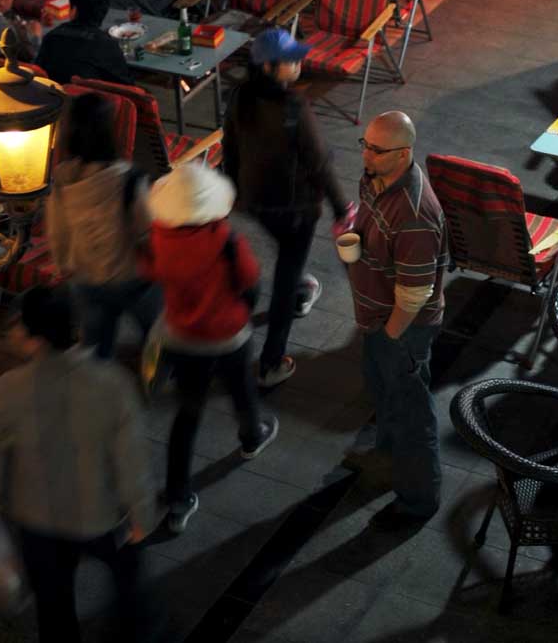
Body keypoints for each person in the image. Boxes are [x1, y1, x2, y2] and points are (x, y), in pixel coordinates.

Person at [0, 286, 156, 643]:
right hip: (98, 512)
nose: (11, 333)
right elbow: (131, 458)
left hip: (38, 519)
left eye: (17, 327)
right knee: (125, 576)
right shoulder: (111, 383)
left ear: (32, 337)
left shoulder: (8, 389)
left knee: (54, 609)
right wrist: (140, 515)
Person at [141, 161, 278, 533]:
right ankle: (252, 437)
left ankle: (178, 496)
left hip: (182, 338)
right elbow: (250, 281)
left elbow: (150, 272)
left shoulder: (158, 238)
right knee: (242, 391)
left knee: (188, 415)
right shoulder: (225, 240)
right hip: (227, 336)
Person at [222, 28, 352, 389]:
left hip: (255, 202)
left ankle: (298, 290)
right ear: (269, 67)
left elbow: (229, 148)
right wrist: (342, 207)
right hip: (295, 208)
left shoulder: (239, 97)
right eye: (291, 59)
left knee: (288, 259)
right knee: (285, 274)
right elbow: (319, 163)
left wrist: (234, 190)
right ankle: (271, 363)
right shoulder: (293, 107)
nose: (299, 63)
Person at [339, 111, 447, 531]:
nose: (365, 154)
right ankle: (385, 457)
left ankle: (419, 499)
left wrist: (389, 337)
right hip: (375, 317)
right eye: (364, 143)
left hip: (401, 327)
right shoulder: (374, 176)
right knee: (385, 394)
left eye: (376, 149)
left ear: (403, 155)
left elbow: (416, 293)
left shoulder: (416, 214)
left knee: (412, 414)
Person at [45, 93, 160, 359]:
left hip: (86, 278)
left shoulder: (62, 181)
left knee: (96, 347)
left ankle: (96, 389)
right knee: (155, 334)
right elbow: (146, 232)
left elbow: (57, 232)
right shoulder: (129, 179)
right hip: (132, 278)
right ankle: (155, 378)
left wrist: (63, 266)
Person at [36, 0, 131, 86]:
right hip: (87, 99)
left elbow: (38, 72)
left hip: (53, 98)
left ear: (73, 11)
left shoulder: (51, 37)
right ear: (104, 12)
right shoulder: (107, 45)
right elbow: (126, 85)